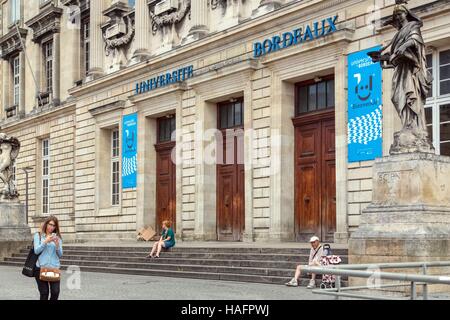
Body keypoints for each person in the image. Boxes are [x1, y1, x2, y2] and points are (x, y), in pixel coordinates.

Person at [33, 216, 63, 300]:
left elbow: (60, 254)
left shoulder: (58, 237)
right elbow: (36, 251)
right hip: (40, 268)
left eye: (54, 226)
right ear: (46, 224)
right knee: (44, 293)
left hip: (54, 268)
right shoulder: (38, 235)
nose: (52, 227)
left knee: (55, 292)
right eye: (50, 224)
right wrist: (45, 241)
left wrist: (57, 245)